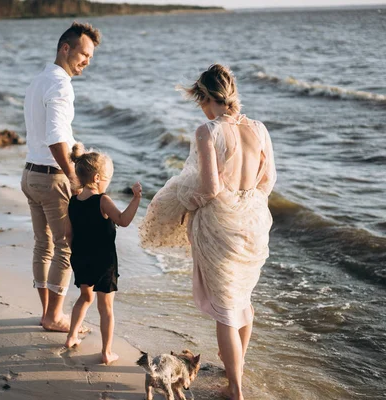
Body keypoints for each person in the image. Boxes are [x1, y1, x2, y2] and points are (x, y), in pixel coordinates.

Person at [139, 64, 277, 400]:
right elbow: (268, 181)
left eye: (198, 99)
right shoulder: (258, 128)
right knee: (243, 304)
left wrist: (186, 204)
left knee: (226, 311)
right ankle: (235, 377)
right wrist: (246, 204)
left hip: (220, 227)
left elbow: (210, 188)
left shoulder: (207, 131)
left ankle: (235, 389)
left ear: (205, 96)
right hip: (255, 224)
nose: (199, 107)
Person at [21, 22, 101, 332]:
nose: (87, 61)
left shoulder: (38, 80)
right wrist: (73, 177)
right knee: (67, 247)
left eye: (91, 57)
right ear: (64, 48)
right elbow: (55, 137)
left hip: (30, 174)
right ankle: (54, 317)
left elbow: (46, 133)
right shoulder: (60, 85)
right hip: (52, 178)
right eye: (84, 53)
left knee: (44, 246)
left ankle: (47, 312)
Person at [64, 143, 142, 365]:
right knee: (105, 307)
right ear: (98, 178)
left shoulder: (73, 201)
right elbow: (123, 221)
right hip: (104, 262)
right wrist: (135, 198)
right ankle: (106, 352)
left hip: (80, 258)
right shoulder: (103, 201)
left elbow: (67, 233)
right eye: (108, 177)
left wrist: (76, 253)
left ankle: (71, 336)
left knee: (84, 297)